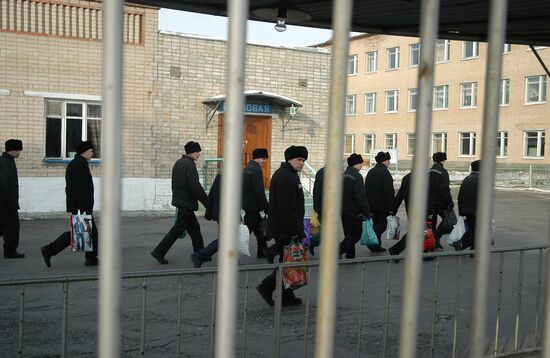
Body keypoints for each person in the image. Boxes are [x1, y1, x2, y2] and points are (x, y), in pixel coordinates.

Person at [256, 145, 308, 307]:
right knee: (288, 262)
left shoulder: (288, 174)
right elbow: (287, 207)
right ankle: (267, 286)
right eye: (299, 160)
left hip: (283, 227)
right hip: (285, 228)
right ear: (290, 159)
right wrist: (295, 230)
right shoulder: (287, 177)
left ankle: (286, 295)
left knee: (287, 261)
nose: (302, 163)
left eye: (304, 160)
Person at [40, 141, 99, 266]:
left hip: (80, 206)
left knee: (86, 233)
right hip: (81, 206)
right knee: (82, 233)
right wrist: (83, 208)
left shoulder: (79, 163)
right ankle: (49, 250)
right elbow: (79, 189)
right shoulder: (79, 165)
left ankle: (91, 258)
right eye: (91, 151)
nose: (92, 154)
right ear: (84, 151)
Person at [151, 141, 208, 264]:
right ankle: (159, 251)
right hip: (186, 203)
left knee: (195, 230)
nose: (199, 154)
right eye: (198, 152)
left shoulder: (178, 163)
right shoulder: (189, 165)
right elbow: (195, 186)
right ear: (193, 152)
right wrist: (207, 202)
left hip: (182, 202)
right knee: (177, 230)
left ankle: (201, 254)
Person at [339, 154, 372, 259]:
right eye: (360, 163)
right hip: (354, 211)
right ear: (356, 164)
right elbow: (360, 197)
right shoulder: (357, 176)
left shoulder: (344, 174)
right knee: (356, 235)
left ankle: (350, 254)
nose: (361, 165)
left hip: (343, 210)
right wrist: (366, 212)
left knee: (348, 233)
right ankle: (337, 250)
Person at [242, 148, 270, 258]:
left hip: (248, 205)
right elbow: (259, 191)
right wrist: (266, 206)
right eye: (263, 158)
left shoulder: (247, 168)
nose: (265, 161)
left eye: (265, 159)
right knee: (245, 233)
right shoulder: (256, 170)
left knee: (259, 231)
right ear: (257, 158)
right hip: (253, 207)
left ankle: (263, 252)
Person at [364, 151, 394, 252]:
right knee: (383, 224)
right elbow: (389, 191)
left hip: (372, 205)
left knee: (376, 223)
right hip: (382, 205)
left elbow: (366, 188)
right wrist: (391, 206)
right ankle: (372, 240)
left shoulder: (371, 171)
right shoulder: (385, 172)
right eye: (388, 160)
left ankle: (376, 246)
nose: (389, 162)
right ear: (384, 161)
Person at [190, 173, 221, 268]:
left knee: (229, 238)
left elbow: (211, 194)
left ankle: (232, 260)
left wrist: (209, 212)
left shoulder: (220, 176)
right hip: (226, 213)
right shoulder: (230, 177)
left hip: (220, 212)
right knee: (227, 239)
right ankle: (200, 255)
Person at [0, 139, 25, 259]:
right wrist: (12, 203)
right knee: (11, 228)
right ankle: (10, 251)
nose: (20, 152)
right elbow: (6, 184)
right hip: (7, 203)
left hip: (4, 202)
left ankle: (9, 250)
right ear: (13, 150)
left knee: (3, 227)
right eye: (19, 150)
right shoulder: (7, 163)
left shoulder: (5, 160)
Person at [428, 152, 454, 249]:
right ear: (443, 160)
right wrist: (449, 201)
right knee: (450, 222)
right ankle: (436, 237)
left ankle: (433, 242)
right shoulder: (443, 172)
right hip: (441, 202)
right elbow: (444, 189)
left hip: (430, 203)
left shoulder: (429, 171)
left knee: (432, 223)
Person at [454, 160, 481, 250]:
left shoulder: (467, 179)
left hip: (467, 209)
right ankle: (461, 243)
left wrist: (461, 209)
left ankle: (474, 248)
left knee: (474, 229)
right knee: (475, 231)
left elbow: (460, 195)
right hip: (477, 210)